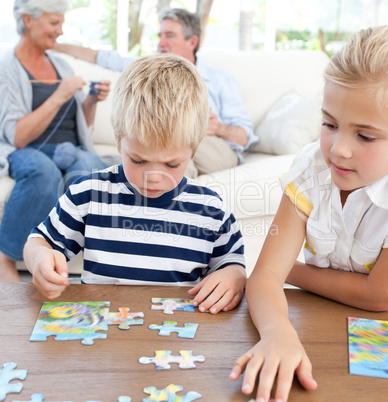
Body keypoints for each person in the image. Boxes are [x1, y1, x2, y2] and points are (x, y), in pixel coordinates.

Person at [229, 25, 388, 402]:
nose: (338, 150)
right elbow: (266, 275)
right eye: (330, 124)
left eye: (364, 136)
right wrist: (277, 333)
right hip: (323, 325)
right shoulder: (312, 170)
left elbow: (378, 296)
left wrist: (294, 272)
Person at [23, 53, 247, 314]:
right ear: (119, 141)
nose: (153, 176)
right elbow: (40, 241)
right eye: (138, 160)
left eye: (171, 164)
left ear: (193, 150)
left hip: (177, 345)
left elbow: (232, 261)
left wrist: (235, 277)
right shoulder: (88, 195)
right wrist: (39, 259)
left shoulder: (211, 208)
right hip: (100, 337)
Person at [55, 8, 257, 178]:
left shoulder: (221, 79)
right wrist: (53, 45)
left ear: (192, 42)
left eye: (169, 36)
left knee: (176, 151)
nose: (161, 43)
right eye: (159, 36)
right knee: (144, 155)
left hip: (213, 145)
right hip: (168, 138)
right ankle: (98, 166)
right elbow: (104, 58)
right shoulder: (149, 67)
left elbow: (244, 137)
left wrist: (217, 127)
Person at [0, 0, 111, 282]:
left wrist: (91, 101)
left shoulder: (60, 64)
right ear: (28, 20)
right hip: (26, 149)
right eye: (54, 22)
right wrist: (59, 95)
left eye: (61, 22)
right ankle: (5, 261)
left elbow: (80, 126)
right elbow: (17, 136)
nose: (60, 31)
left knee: (91, 171)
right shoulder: (7, 69)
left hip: (69, 148)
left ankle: (104, 265)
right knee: (43, 171)